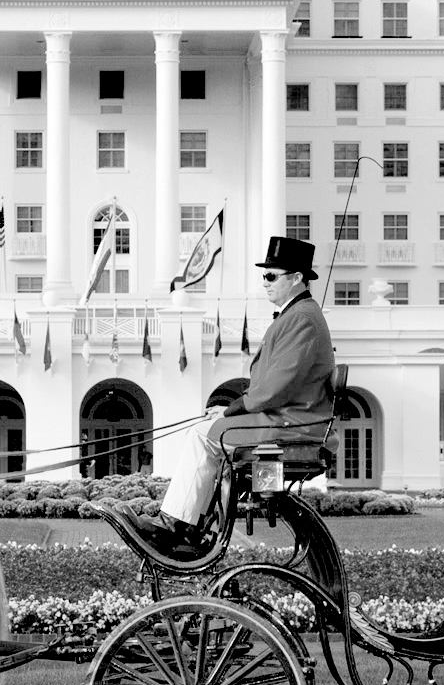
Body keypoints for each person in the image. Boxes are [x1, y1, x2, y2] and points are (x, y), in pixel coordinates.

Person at [104, 235, 336, 552]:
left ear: (296, 278)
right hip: (288, 418)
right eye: (263, 276)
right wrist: (231, 410)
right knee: (208, 430)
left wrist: (231, 411)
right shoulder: (298, 315)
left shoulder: (303, 318)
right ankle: (189, 526)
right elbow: (270, 385)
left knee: (204, 435)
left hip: (293, 424)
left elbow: (275, 387)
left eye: (271, 276)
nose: (264, 283)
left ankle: (176, 527)